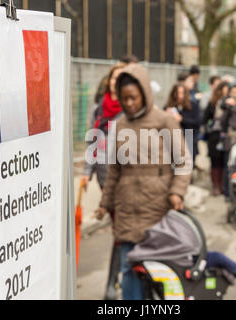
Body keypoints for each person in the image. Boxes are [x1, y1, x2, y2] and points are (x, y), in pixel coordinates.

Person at [95, 63, 192, 300]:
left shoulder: (164, 121)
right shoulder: (119, 126)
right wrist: (104, 204)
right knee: (129, 267)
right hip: (127, 208)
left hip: (158, 209)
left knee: (158, 269)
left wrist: (177, 192)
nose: (129, 103)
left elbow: (183, 161)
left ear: (145, 93)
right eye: (124, 99)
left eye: (133, 98)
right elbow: (114, 171)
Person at [82, 62, 126, 300]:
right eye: (113, 78)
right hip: (103, 175)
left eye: (122, 79)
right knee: (120, 229)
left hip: (126, 178)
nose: (116, 83)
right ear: (108, 81)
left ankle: (114, 283)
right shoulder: (100, 108)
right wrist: (87, 171)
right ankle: (115, 282)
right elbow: (92, 139)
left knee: (121, 229)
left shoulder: (130, 108)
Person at [203, 81, 230, 196]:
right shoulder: (212, 104)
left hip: (226, 135)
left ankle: (222, 185)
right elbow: (205, 118)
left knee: (224, 161)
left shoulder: (230, 103)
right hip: (214, 135)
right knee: (215, 160)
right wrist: (208, 129)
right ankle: (215, 185)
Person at [165, 84, 201, 163]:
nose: (180, 96)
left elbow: (197, 122)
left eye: (182, 93)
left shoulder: (193, 106)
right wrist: (166, 116)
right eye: (177, 93)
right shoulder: (168, 107)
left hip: (189, 141)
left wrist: (182, 119)